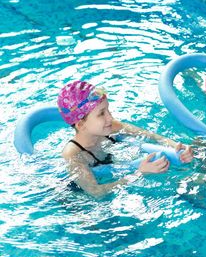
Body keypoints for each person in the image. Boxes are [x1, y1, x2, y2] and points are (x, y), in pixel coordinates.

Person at [57, 80, 194, 197]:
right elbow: (96, 192)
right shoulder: (73, 154)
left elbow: (150, 136)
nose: (110, 117)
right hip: (78, 199)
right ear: (81, 124)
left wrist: (175, 145)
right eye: (101, 114)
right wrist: (139, 174)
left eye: (108, 110)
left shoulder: (112, 126)